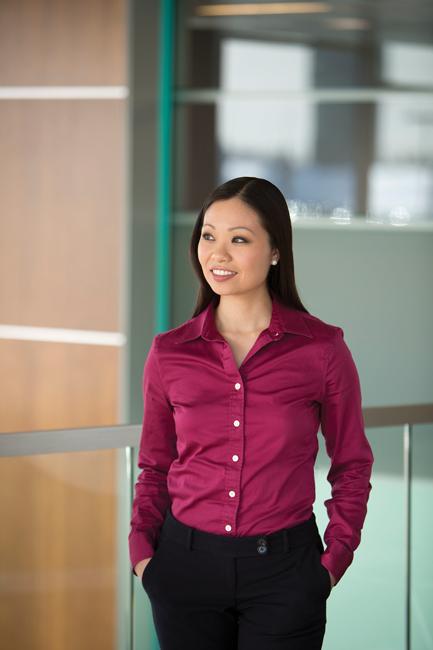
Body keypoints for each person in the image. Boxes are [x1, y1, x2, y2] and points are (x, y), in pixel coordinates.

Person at [128, 176, 374, 650]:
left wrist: (331, 563)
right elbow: (155, 465)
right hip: (183, 569)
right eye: (208, 235)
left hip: (287, 574)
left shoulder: (322, 350)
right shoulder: (169, 353)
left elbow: (352, 464)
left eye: (238, 239)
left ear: (276, 250)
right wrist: (144, 556)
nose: (217, 254)